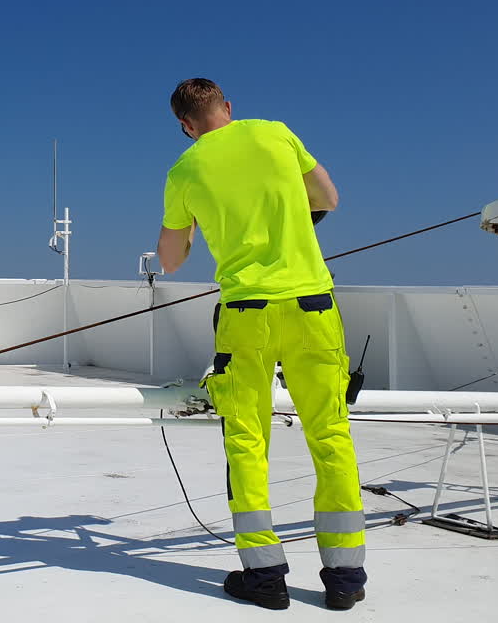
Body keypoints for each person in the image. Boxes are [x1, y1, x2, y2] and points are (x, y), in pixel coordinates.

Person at [157, 78, 366, 611]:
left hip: (246, 315)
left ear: (186, 125)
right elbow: (328, 199)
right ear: (227, 107)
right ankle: (345, 578)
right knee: (331, 436)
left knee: (247, 440)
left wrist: (197, 223)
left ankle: (265, 576)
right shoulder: (276, 134)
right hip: (314, 308)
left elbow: (171, 260)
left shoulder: (184, 170)